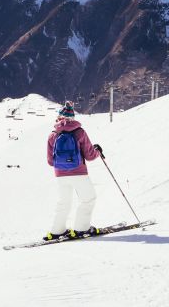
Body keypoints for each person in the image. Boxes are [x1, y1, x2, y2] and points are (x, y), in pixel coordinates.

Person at [44, 101, 102, 241]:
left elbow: (51, 161)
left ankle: (57, 231)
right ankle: (81, 228)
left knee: (64, 202)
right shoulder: (79, 132)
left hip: (60, 175)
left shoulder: (53, 135)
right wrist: (97, 151)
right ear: (72, 118)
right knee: (88, 199)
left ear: (59, 118)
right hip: (79, 172)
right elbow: (90, 155)